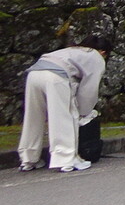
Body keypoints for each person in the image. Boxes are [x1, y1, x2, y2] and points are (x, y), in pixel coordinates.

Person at [17, 34, 113, 172]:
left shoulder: (72, 50)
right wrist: (83, 112)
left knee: (33, 117)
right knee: (64, 116)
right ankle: (65, 159)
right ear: (103, 52)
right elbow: (89, 88)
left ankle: (28, 158)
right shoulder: (96, 57)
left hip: (34, 74)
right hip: (56, 77)